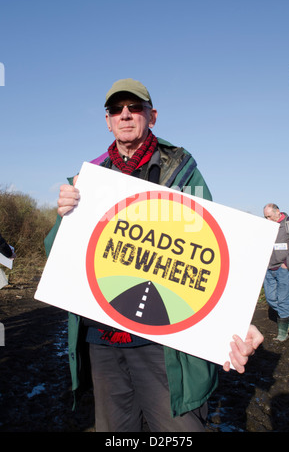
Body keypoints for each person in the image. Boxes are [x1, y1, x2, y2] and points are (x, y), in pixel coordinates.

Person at [46, 78, 264, 432]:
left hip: (164, 343)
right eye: (116, 109)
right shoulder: (88, 181)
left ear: (153, 115)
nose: (126, 115)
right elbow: (57, 256)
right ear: (107, 120)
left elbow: (210, 251)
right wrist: (62, 220)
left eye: (135, 107)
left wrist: (234, 319)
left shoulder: (184, 174)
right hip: (102, 340)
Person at [263, 203, 289, 341]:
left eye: (269, 216)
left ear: (277, 212)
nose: (267, 220)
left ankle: (282, 334)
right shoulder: (266, 226)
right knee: (271, 299)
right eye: (265, 217)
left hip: (284, 269)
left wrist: (287, 264)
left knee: (283, 300)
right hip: (269, 269)